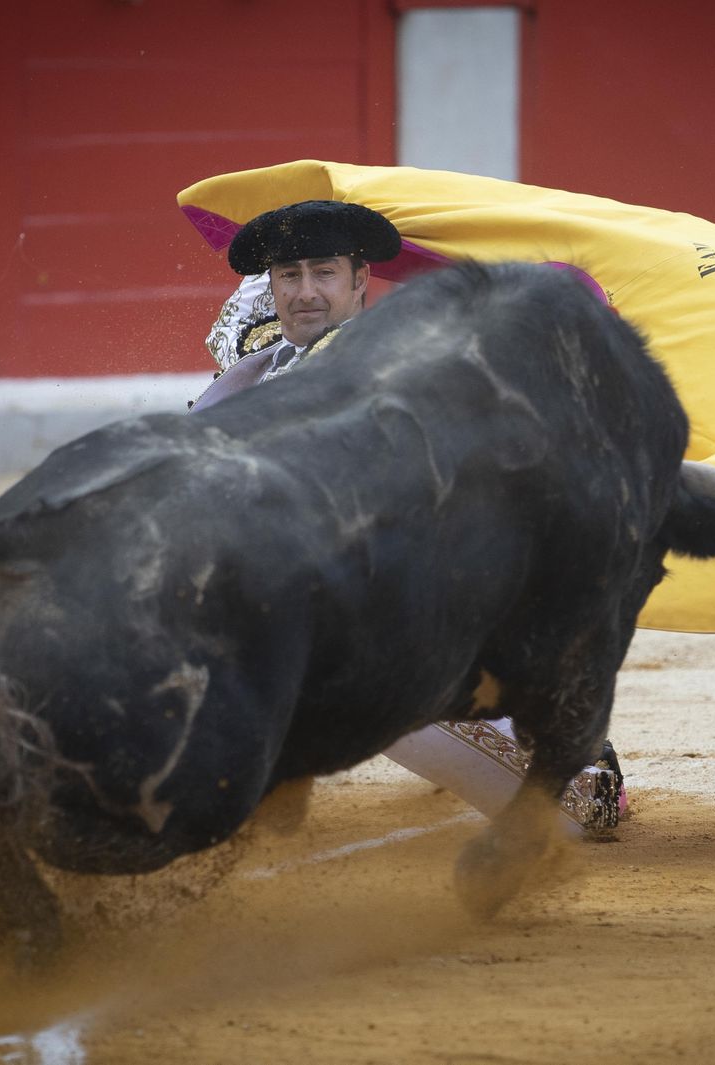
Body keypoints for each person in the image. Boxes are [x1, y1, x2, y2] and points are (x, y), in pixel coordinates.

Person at [192, 199, 627, 834]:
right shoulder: (268, 367)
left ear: (360, 280)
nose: (305, 291)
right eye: (290, 276)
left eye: (324, 273)